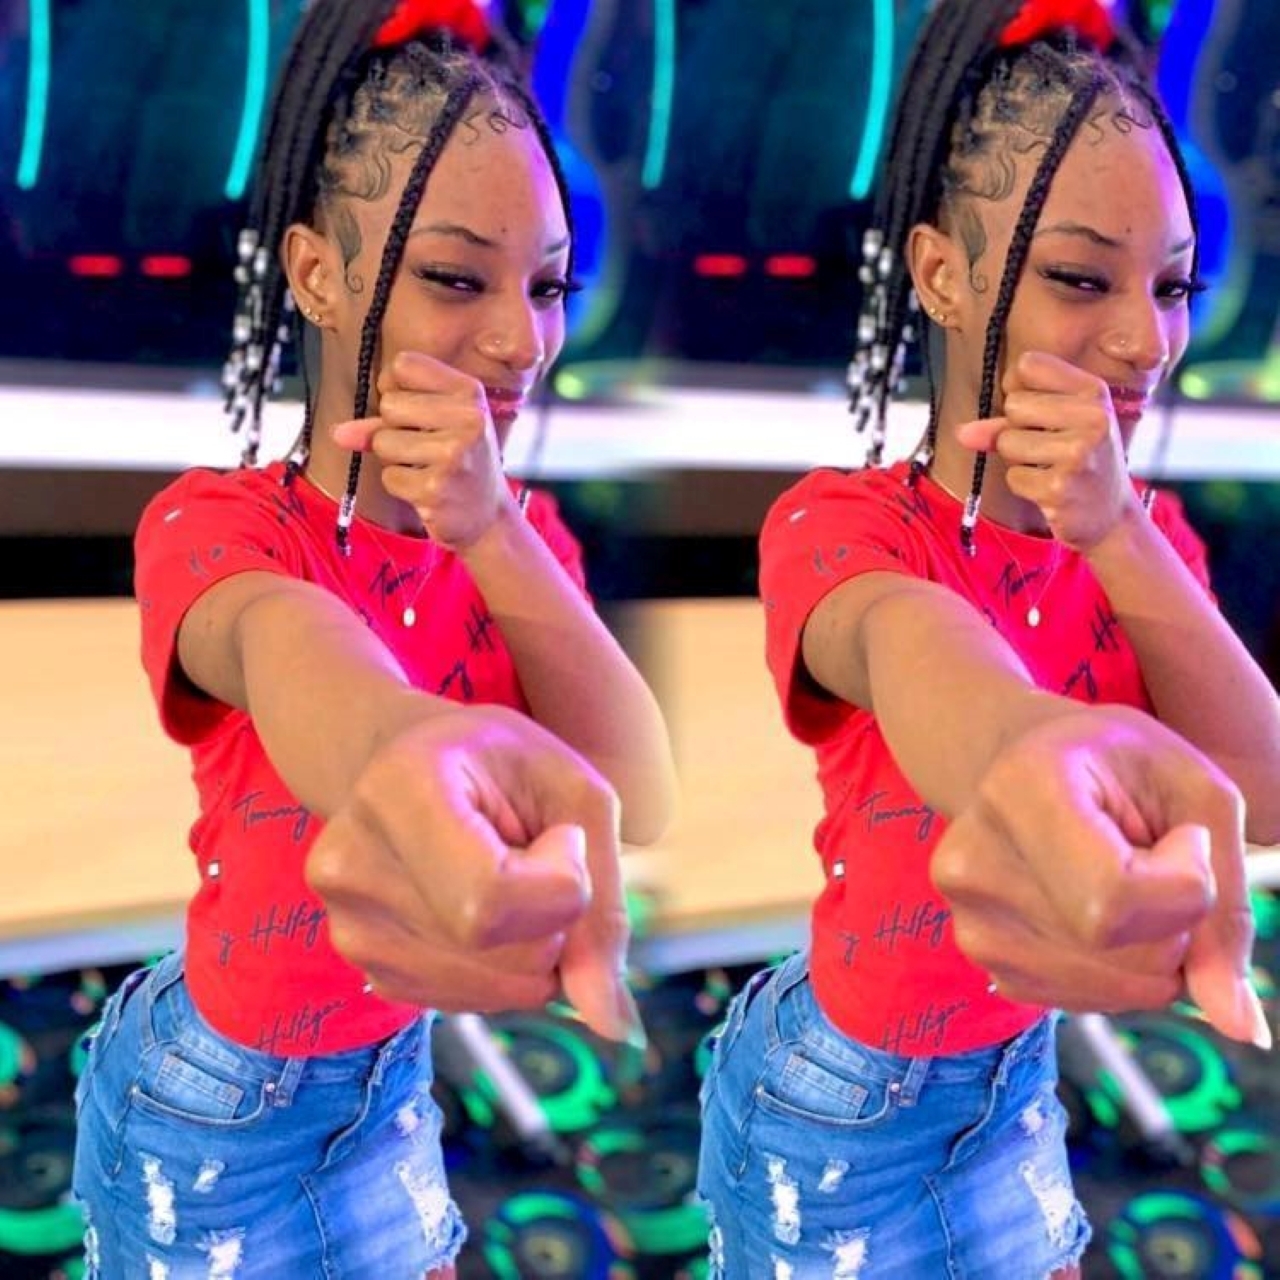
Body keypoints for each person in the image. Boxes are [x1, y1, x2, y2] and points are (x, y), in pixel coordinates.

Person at [71, 1, 675, 1275]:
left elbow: (638, 788)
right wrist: (402, 742)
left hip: (388, 1076)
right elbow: (286, 640)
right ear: (316, 272)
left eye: (548, 285)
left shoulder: (522, 540)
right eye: (456, 278)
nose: (520, 341)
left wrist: (491, 531)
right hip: (215, 1097)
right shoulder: (215, 523)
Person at [697, 1, 1280, 1276]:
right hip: (836, 1101)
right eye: (1080, 278)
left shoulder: (1143, 541)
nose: (1144, 340)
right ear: (941, 272)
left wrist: (1113, 530)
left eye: (1172, 286)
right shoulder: (838, 524)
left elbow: (1265, 788)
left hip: (1008, 1075)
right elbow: (914, 645)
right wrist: (1026, 746)